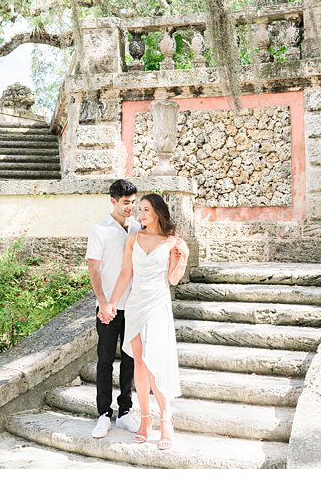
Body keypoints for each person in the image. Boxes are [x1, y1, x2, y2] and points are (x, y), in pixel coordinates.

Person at [105, 192, 189, 451]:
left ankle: (166, 417)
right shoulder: (134, 237)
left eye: (146, 211)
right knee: (139, 362)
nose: (140, 215)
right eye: (139, 209)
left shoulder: (170, 241)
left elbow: (173, 279)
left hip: (157, 303)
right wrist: (110, 302)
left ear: (158, 213)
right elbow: (125, 273)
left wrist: (182, 257)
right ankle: (144, 417)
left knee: (153, 361)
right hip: (136, 303)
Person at [85, 179, 143, 439]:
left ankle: (126, 411)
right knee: (105, 362)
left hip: (133, 305)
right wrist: (102, 302)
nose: (130, 207)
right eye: (126, 202)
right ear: (113, 201)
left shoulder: (138, 228)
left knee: (130, 360)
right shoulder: (100, 230)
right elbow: (93, 268)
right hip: (108, 307)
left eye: (133, 202)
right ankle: (103, 415)